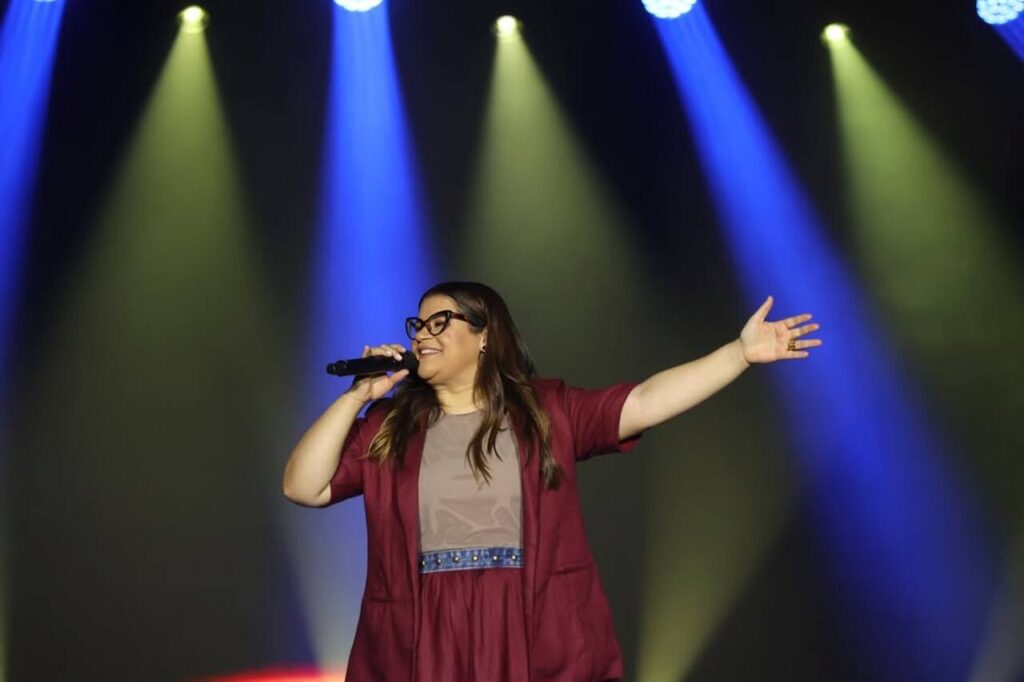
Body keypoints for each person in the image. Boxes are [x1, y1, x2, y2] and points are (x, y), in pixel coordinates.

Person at [282, 281, 821, 681]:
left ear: (485, 336)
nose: (423, 334)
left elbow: (645, 402)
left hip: (526, 618)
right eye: (418, 325)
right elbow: (302, 487)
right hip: (426, 629)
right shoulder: (388, 427)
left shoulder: (547, 411)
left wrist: (739, 354)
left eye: (439, 322)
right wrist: (358, 397)